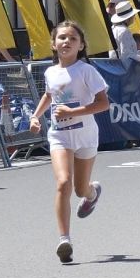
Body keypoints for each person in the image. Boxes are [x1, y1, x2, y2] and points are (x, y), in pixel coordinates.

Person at [28, 20, 111, 264]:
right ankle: (64, 239)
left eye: (73, 38)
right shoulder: (50, 72)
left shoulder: (86, 71)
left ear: (81, 45)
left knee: (79, 189)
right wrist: (36, 116)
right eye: (62, 38)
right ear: (53, 44)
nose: (66, 42)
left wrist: (74, 112)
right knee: (63, 182)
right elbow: (48, 95)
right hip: (60, 135)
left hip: (85, 136)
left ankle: (92, 193)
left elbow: (104, 103)